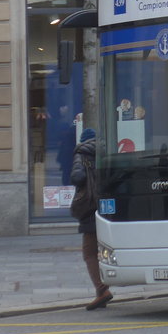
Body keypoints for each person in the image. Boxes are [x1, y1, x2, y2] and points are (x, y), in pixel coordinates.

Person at [70, 128, 113, 309]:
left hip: (90, 205)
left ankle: (102, 290)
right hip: (108, 205)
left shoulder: (81, 153)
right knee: (106, 248)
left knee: (89, 252)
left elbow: (77, 176)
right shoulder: (107, 150)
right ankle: (102, 291)